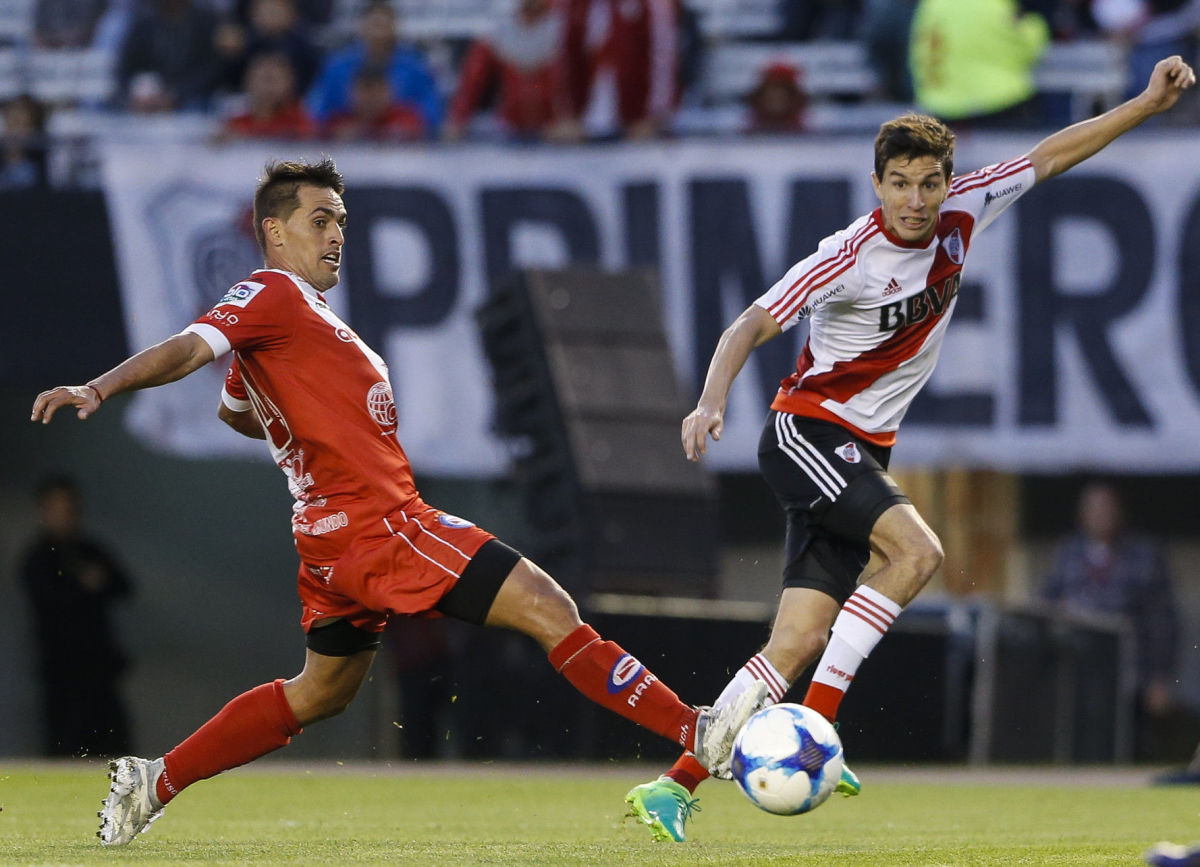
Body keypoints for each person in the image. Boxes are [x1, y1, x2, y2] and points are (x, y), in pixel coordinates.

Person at [30, 157, 767, 847]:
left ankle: (153, 781)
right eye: (320, 220)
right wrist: (101, 386)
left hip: (330, 539)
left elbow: (235, 409)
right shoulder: (272, 293)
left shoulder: (298, 326)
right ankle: (695, 730)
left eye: (342, 221)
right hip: (382, 523)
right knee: (550, 608)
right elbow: (191, 348)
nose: (336, 235)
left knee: (318, 692)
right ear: (274, 231)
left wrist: (302, 423)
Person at [623, 55, 1196, 842]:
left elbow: (1057, 152)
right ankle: (820, 726)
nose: (917, 200)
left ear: (945, 181)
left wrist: (1143, 103)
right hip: (807, 433)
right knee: (917, 554)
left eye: (929, 182)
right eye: (900, 183)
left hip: (859, 450)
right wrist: (711, 398)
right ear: (877, 184)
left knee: (794, 641)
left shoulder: (969, 207)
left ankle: (673, 784)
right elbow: (750, 323)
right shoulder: (847, 256)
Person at [1041, 481, 1182, 758]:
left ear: (1119, 513)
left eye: (1106, 508)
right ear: (1081, 515)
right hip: (1077, 678)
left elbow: (1162, 622)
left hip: (1129, 676)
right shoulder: (1068, 554)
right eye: (1093, 509)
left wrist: (1160, 677)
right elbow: (1044, 607)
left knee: (1129, 748)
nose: (1100, 515)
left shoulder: (1144, 555)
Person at [19, 476, 134, 757]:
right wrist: (82, 585)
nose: (64, 515)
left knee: (112, 745)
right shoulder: (37, 558)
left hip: (100, 667)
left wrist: (97, 582)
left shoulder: (90, 550)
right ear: (44, 511)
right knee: (66, 745)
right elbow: (49, 600)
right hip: (62, 669)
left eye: (69, 507)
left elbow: (123, 585)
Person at [444, 0, 576, 143]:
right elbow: (472, 84)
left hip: (553, 131)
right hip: (509, 129)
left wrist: (570, 118)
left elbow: (571, 82)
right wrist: (458, 120)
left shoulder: (562, 32)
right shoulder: (498, 34)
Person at [306, 1, 442, 137]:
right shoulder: (337, 66)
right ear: (361, 26)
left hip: (403, 143)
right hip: (344, 142)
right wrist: (333, 131)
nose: (379, 33)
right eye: (374, 25)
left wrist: (409, 129)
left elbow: (431, 113)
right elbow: (316, 112)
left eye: (384, 25)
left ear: (395, 26)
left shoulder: (416, 66)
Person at [909, 0, 1051, 127]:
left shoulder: (931, 4)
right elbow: (1029, 48)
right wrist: (1037, 25)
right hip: (998, 101)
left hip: (938, 105)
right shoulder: (996, 5)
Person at [220, 52, 317, 140]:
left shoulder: (301, 123)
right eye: (262, 79)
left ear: (289, 83)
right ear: (247, 82)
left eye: (273, 79)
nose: (267, 87)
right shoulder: (236, 122)